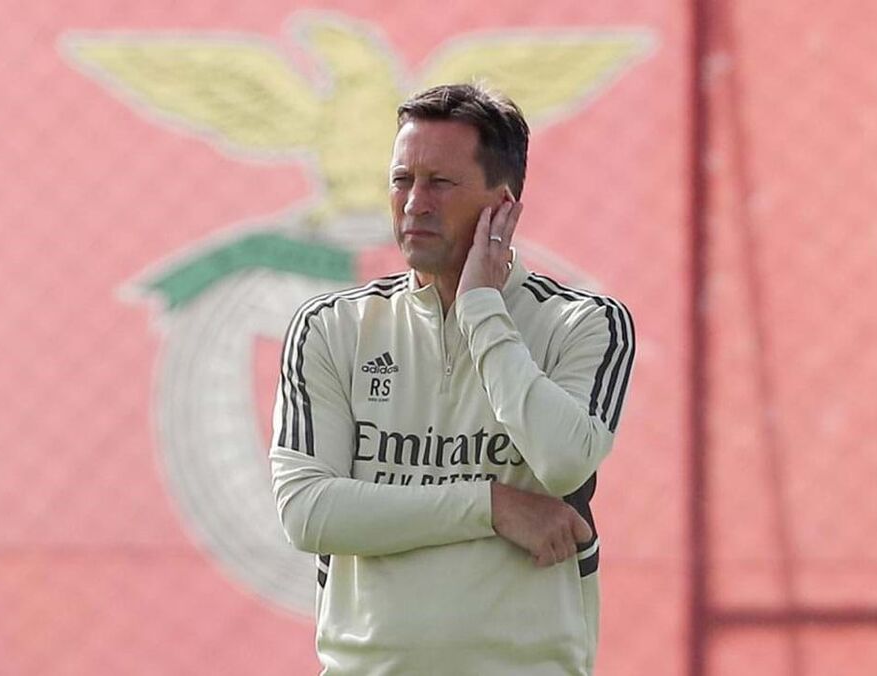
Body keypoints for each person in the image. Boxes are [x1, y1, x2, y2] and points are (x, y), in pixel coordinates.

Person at [270, 83, 635, 675]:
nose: (415, 203)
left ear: (503, 206)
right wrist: (489, 505)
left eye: (440, 182)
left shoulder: (584, 323)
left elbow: (564, 462)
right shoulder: (333, 327)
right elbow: (309, 512)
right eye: (402, 180)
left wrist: (482, 309)